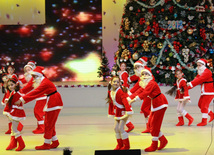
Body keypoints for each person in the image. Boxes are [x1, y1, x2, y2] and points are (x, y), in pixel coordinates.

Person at [15, 66, 63, 150]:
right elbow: (31, 87)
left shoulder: (44, 83)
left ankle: (47, 144)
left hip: (54, 101)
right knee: (49, 123)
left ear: (38, 75)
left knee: (48, 123)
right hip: (52, 101)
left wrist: (21, 100)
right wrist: (21, 93)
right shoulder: (41, 80)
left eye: (34, 76)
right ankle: (55, 141)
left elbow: (35, 92)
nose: (33, 79)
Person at [129, 68, 168, 152]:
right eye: (143, 74)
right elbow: (139, 91)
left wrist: (133, 100)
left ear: (150, 75)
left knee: (154, 125)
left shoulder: (151, 83)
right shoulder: (144, 84)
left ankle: (154, 145)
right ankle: (163, 140)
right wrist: (129, 98)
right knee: (151, 124)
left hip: (160, 104)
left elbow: (145, 93)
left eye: (146, 74)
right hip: (155, 104)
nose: (144, 76)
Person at [19, 61, 47, 134]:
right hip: (39, 96)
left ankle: (42, 128)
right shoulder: (32, 76)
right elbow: (24, 81)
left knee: (38, 112)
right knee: (38, 112)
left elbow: (29, 87)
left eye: (29, 70)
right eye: (26, 70)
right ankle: (40, 127)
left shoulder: (35, 76)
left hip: (42, 96)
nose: (28, 72)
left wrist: (20, 92)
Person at [107, 76, 133, 150]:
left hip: (124, 111)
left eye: (117, 82)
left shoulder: (120, 91)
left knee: (120, 128)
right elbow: (111, 103)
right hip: (118, 111)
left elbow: (125, 101)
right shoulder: (111, 92)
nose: (116, 83)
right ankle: (120, 145)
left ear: (120, 83)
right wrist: (111, 112)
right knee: (115, 128)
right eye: (114, 81)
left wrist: (128, 111)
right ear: (111, 83)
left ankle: (127, 146)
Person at [187, 58, 214, 126]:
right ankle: (211, 114)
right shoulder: (201, 72)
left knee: (204, 106)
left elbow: (199, 80)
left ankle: (204, 121)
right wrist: (187, 87)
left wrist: (190, 84)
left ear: (203, 65)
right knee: (200, 105)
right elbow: (196, 79)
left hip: (209, 91)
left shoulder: (207, 72)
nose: (198, 67)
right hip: (205, 90)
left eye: (199, 65)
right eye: (197, 65)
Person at [128, 58, 151, 133]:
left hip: (150, 95)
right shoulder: (142, 74)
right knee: (145, 109)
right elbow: (139, 87)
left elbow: (140, 88)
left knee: (145, 109)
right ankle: (149, 126)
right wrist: (131, 95)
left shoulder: (146, 73)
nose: (137, 68)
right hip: (148, 94)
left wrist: (131, 96)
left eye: (138, 66)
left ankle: (151, 126)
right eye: (136, 67)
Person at [5, 75, 26, 151]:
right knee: (13, 129)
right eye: (9, 85)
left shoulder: (16, 93)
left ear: (16, 84)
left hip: (16, 113)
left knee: (14, 129)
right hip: (14, 112)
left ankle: (21, 144)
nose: (10, 86)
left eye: (12, 85)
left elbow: (17, 102)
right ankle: (14, 144)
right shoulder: (13, 92)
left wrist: (9, 102)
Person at [118, 62, 134, 132]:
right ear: (120, 67)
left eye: (124, 66)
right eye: (122, 66)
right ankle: (127, 125)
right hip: (122, 89)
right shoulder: (120, 73)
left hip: (124, 91)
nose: (123, 67)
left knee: (123, 109)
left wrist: (123, 88)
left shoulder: (124, 73)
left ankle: (128, 125)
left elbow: (125, 82)